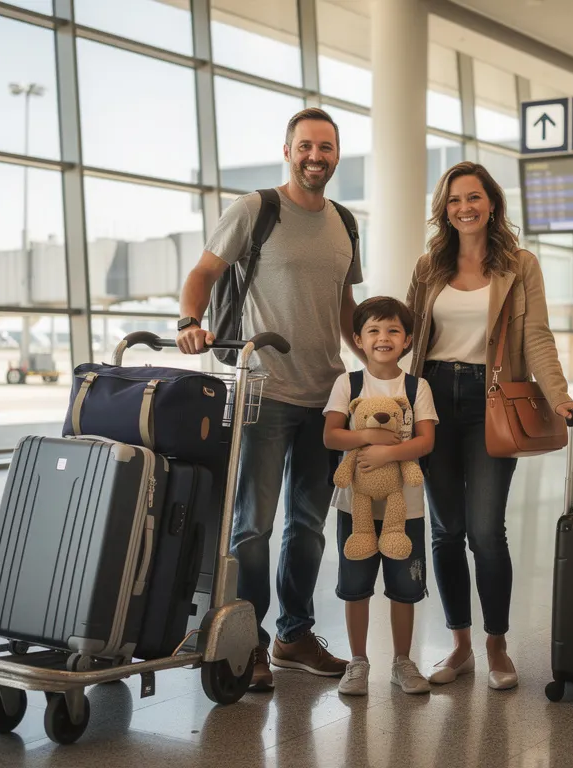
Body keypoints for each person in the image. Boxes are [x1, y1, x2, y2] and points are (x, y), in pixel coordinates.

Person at [176, 108, 359, 691]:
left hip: (325, 394)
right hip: (264, 390)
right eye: (305, 146)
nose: (315, 156)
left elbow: (347, 311)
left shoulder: (346, 223)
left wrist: (378, 364)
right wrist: (189, 320)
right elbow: (204, 272)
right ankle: (247, 642)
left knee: (308, 526)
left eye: (326, 147)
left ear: (336, 155)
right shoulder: (255, 210)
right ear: (287, 151)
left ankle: (294, 635)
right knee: (251, 527)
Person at [405, 162, 573, 691]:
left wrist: (560, 396)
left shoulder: (518, 264)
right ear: (444, 208)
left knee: (486, 531)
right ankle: (460, 647)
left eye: (475, 198)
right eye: (455, 199)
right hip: (432, 399)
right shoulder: (428, 266)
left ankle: (497, 646)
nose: (466, 207)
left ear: (492, 203)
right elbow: (410, 336)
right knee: (445, 532)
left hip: (493, 402)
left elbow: (537, 338)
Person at [323, 297, 437, 696]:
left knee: (404, 586)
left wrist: (388, 453)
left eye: (392, 331)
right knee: (356, 584)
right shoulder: (348, 384)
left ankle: (403, 662)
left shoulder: (416, 386)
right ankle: (357, 662)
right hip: (353, 508)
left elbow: (425, 442)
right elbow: (331, 435)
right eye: (373, 330)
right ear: (357, 339)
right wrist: (369, 437)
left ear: (407, 341)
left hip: (405, 507)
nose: (383, 338)